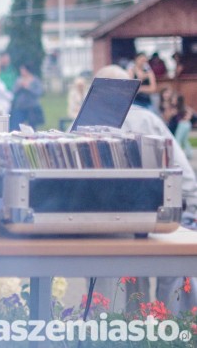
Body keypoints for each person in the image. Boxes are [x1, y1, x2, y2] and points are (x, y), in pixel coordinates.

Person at [92, 65, 197, 314]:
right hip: (154, 216)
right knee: (171, 279)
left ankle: (132, 329)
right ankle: (170, 331)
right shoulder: (145, 118)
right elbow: (185, 174)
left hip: (121, 222)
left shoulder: (86, 122)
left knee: (126, 284)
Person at [8, 62, 44, 131]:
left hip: (32, 107)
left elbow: (39, 92)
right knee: (16, 125)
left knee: (32, 126)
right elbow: (14, 91)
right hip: (20, 107)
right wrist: (20, 86)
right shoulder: (19, 80)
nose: (21, 72)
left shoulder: (35, 80)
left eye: (23, 70)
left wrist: (28, 87)